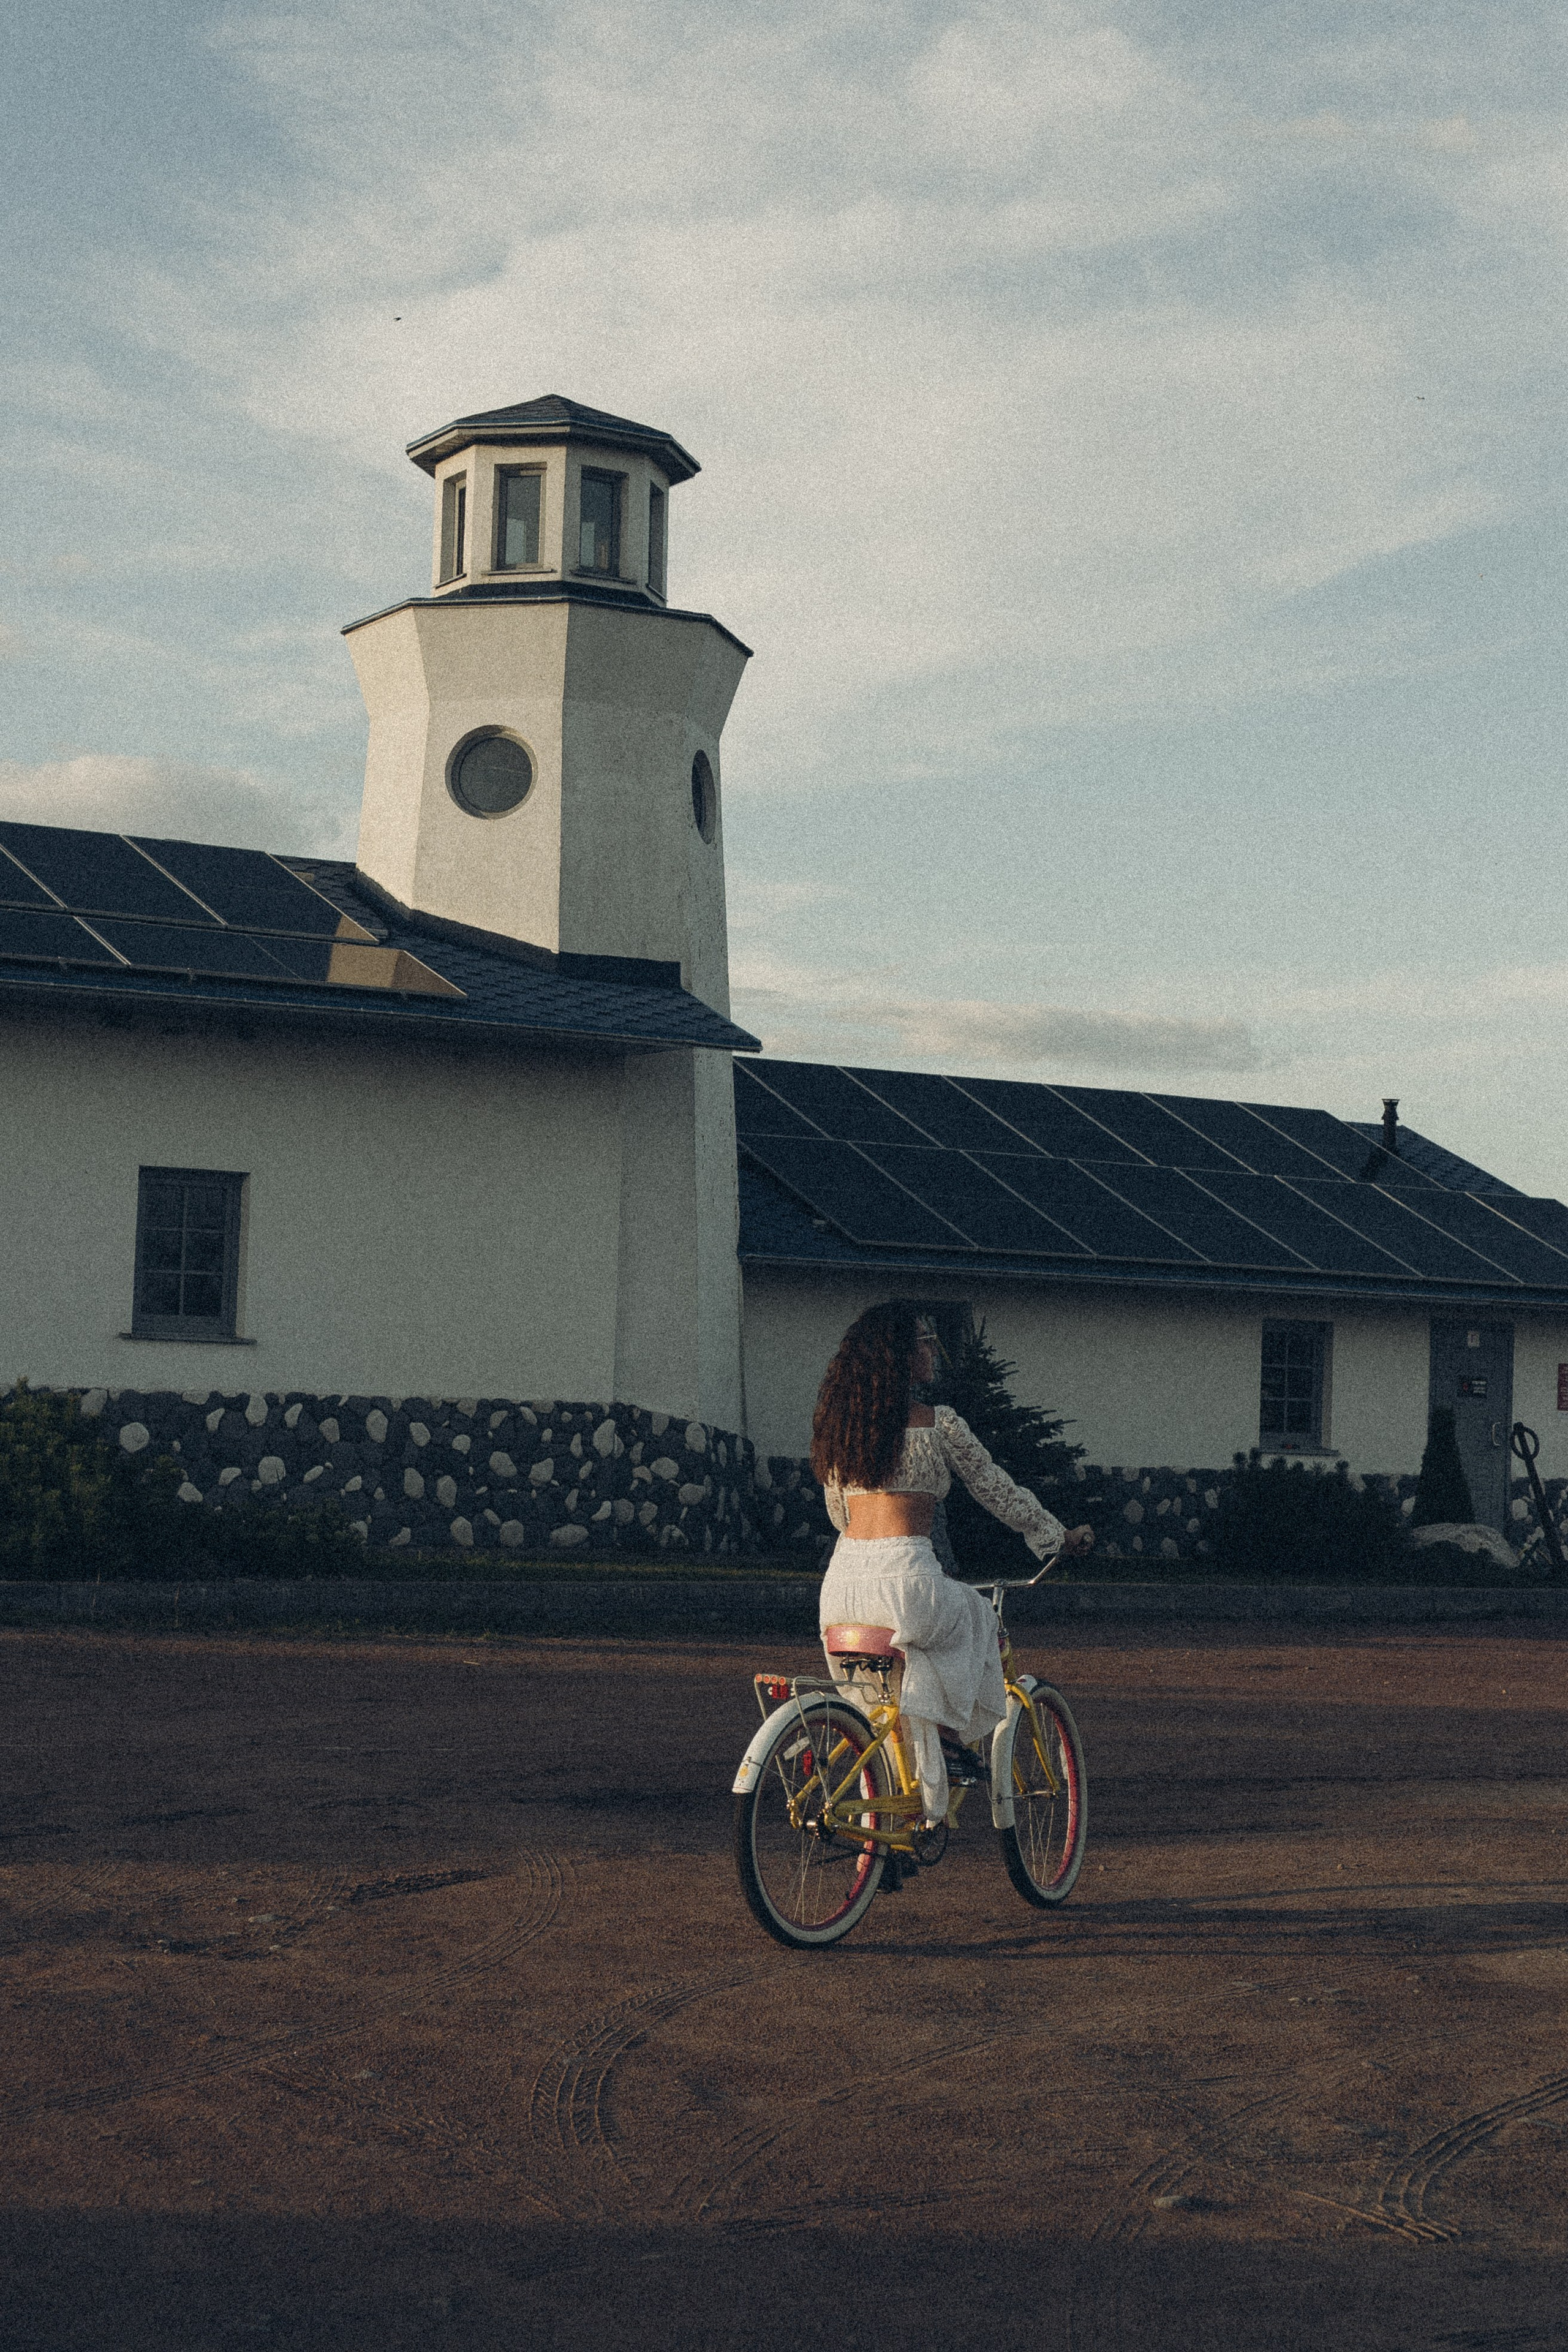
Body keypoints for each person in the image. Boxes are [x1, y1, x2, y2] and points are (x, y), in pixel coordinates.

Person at [812, 1301, 1095, 1827]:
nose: (932, 1349)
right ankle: (950, 1743)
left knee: (886, 1700)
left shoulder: (842, 1433)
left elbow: (838, 1514)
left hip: (840, 1588)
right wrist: (1056, 1536)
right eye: (922, 1340)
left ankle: (894, 1809)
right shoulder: (939, 1424)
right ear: (898, 1356)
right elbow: (998, 1491)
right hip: (907, 1582)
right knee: (980, 1619)